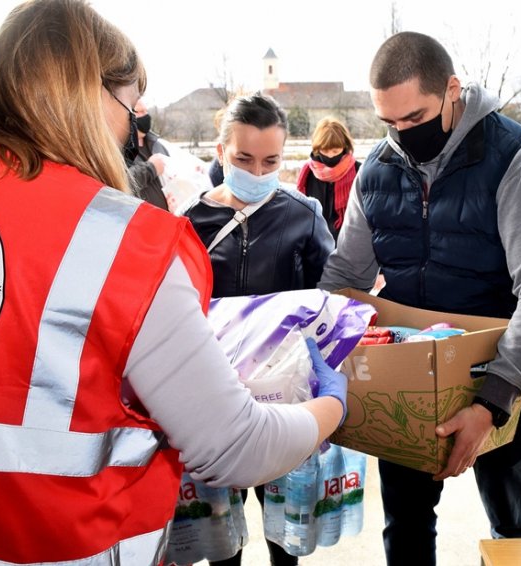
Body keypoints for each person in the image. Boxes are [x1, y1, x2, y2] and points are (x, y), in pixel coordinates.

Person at [0, 2, 347, 565]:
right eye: (129, 100)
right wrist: (330, 408)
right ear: (84, 95)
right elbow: (236, 448)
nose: (138, 116)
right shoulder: (132, 245)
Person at [318, 31, 521, 566]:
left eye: (414, 119)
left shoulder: (515, 162)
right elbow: (345, 274)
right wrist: (312, 351)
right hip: (410, 373)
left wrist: (491, 403)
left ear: (452, 89)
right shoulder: (377, 171)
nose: (402, 136)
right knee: (405, 524)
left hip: (505, 371)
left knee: (512, 519)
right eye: (388, 123)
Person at [181, 92, 335, 565]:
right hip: (213, 399)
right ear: (221, 150)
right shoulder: (190, 220)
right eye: (244, 158)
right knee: (221, 539)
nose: (258, 171)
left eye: (271, 160)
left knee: (283, 534)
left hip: (282, 400)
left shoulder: (302, 214)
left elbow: (327, 301)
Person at [296, 116, 361, 241]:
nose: (330, 156)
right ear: (317, 148)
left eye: (335, 150)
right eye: (325, 150)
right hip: (314, 242)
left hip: (349, 242)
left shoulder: (359, 171)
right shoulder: (308, 173)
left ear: (345, 146)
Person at [128, 97, 172, 210]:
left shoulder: (158, 145)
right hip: (141, 222)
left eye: (146, 111)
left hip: (169, 219)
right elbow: (120, 183)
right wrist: (151, 168)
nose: (146, 116)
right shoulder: (120, 150)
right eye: (141, 111)